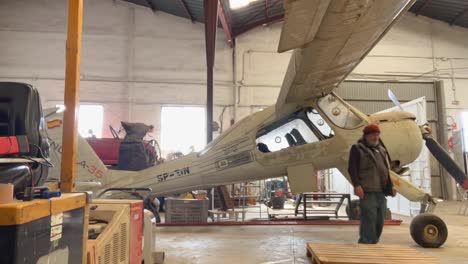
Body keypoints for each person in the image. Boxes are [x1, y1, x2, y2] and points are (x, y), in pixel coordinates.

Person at [348, 124, 396, 244]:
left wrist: (391, 187)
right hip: (367, 190)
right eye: (373, 135)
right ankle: (366, 243)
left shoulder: (381, 150)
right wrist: (357, 185)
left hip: (381, 191)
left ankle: (373, 242)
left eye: (377, 135)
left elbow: (386, 170)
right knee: (369, 218)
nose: (375, 137)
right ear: (366, 136)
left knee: (380, 219)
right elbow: (352, 168)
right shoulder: (357, 148)